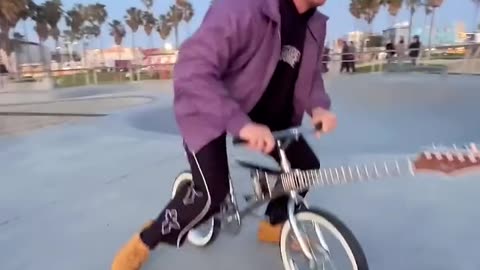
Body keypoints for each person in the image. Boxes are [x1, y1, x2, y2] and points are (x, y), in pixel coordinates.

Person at [111, 0, 337, 269]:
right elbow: (193, 71)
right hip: (208, 107)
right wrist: (241, 124)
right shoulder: (242, 7)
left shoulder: (313, 24)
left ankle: (274, 225)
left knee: (304, 167)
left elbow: (309, 77)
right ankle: (145, 240)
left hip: (266, 113)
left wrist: (319, 107)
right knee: (210, 195)